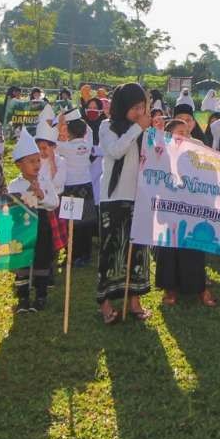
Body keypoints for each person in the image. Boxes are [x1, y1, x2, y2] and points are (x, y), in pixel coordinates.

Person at [97, 82, 152, 324]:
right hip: (113, 197)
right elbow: (116, 151)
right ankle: (106, 303)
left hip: (139, 196)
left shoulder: (143, 130)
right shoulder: (107, 127)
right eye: (135, 107)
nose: (139, 112)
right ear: (122, 106)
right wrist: (137, 129)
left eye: (143, 107)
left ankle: (134, 301)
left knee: (137, 251)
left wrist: (153, 134)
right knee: (111, 250)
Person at [154, 115, 216, 307]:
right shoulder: (161, 152)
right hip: (168, 207)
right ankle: (169, 289)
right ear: (169, 135)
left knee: (193, 248)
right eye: (181, 133)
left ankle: (199, 287)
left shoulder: (197, 152)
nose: (186, 136)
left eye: (188, 132)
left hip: (191, 208)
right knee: (169, 249)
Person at [7, 130, 59, 314]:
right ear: (20, 165)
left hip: (41, 224)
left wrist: (41, 195)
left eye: (38, 160)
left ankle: (41, 295)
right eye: (31, 161)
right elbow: (10, 207)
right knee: (22, 260)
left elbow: (54, 202)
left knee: (42, 258)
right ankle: (22, 297)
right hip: (21, 227)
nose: (36, 165)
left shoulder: (44, 180)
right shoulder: (14, 185)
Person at [57, 112, 96, 267]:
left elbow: (51, 142)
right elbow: (91, 132)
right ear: (85, 131)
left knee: (71, 223)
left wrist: (61, 124)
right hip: (86, 186)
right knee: (85, 223)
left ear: (69, 132)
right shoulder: (88, 145)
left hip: (70, 188)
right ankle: (85, 255)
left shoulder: (65, 147)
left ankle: (73, 255)